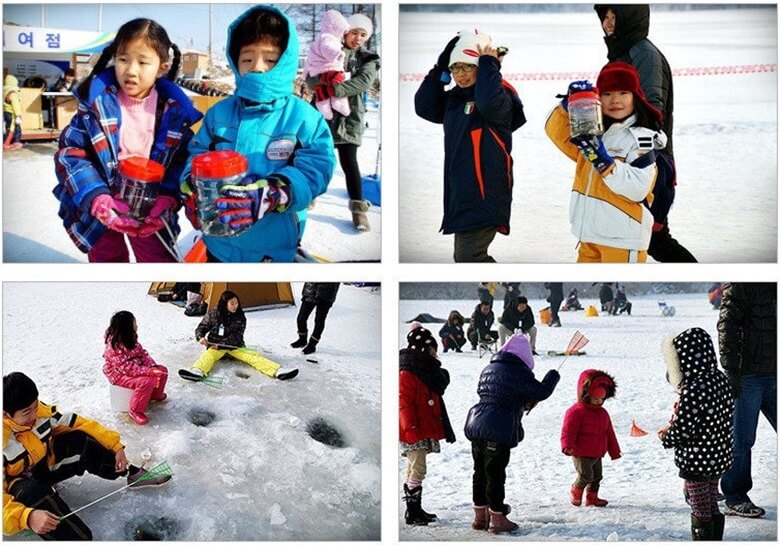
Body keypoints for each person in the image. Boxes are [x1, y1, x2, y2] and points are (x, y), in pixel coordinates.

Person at [182, 5, 335, 262]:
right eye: (248, 59)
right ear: (235, 61)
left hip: (274, 246)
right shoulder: (218, 115)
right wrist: (191, 185)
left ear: (285, 62)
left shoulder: (303, 117)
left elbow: (317, 168)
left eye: (270, 59)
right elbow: (197, 154)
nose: (258, 67)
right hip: (219, 242)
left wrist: (275, 193)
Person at [53, 18, 201, 262]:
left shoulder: (174, 113)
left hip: (150, 211)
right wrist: (96, 196)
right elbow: (71, 153)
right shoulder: (97, 105)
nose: (131, 70)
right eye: (123, 59)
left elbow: (181, 163)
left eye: (143, 62)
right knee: (108, 262)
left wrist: (167, 197)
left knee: (157, 262)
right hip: (101, 210)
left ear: (162, 68)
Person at [3, 372, 170, 540]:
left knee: (79, 439)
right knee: (32, 492)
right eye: (26, 412)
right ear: (5, 414)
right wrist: (26, 517)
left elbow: (79, 423)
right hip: (19, 490)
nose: (33, 415)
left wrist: (115, 445)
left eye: (35, 407)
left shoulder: (41, 413)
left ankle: (130, 473)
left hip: (43, 468)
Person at [594, 5, 696, 263]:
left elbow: (652, 113)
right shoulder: (622, 52)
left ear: (630, 19)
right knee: (650, 239)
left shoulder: (644, 55)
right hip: (626, 159)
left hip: (648, 163)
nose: (607, 23)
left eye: (614, 17)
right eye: (605, 16)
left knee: (655, 239)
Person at [415, 29, 525, 262]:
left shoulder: (501, 98)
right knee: (467, 257)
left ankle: (508, 293)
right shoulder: (454, 100)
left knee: (469, 257)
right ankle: (507, 292)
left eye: (468, 66)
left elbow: (486, 101)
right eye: (456, 68)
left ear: (481, 68)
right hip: (462, 195)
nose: (461, 74)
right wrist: (440, 69)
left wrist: (489, 64)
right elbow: (424, 106)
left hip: (486, 194)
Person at [546, 62, 664, 262]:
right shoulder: (593, 131)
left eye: (623, 93)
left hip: (623, 240)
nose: (615, 100)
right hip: (588, 235)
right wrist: (569, 107)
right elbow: (557, 134)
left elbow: (638, 189)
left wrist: (604, 162)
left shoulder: (641, 138)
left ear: (635, 96)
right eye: (607, 94)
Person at [464, 334, 560, 533]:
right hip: (497, 427)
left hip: (477, 423)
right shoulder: (519, 372)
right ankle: (497, 518)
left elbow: (496, 392)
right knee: (495, 474)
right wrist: (553, 375)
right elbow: (540, 392)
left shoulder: (489, 367)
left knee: (479, 472)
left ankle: (480, 516)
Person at [307, 13, 380, 232]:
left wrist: (333, 88)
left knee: (350, 163)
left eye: (363, 34)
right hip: (322, 114)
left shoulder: (368, 58)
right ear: (345, 32)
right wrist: (322, 81)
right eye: (354, 33)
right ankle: (309, 195)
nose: (358, 38)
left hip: (350, 116)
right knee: (317, 159)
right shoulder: (326, 49)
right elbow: (311, 78)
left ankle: (359, 211)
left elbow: (363, 82)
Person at [659, 327, 733, 539]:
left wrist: (667, 437)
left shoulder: (694, 388)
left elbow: (684, 428)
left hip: (697, 459)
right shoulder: (720, 379)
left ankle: (703, 537)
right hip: (719, 454)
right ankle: (715, 537)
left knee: (700, 506)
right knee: (711, 502)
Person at [716, 282, 776, 518]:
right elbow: (726, 325)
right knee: (741, 440)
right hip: (748, 375)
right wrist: (731, 371)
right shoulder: (742, 281)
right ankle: (735, 495)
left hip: (775, 370)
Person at [399, 327, 456, 525]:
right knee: (418, 469)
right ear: (425, 348)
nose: (436, 352)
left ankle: (415, 509)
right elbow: (403, 403)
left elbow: (438, 384)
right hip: (412, 429)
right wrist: (411, 429)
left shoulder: (423, 368)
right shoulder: (409, 371)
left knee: (413, 468)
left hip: (420, 426)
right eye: (433, 348)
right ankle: (412, 512)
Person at [179, 290, 298, 382]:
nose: (235, 305)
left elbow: (238, 336)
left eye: (236, 303)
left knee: (253, 357)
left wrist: (221, 345)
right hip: (215, 347)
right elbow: (202, 327)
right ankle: (197, 371)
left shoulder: (240, 316)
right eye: (232, 303)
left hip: (234, 346)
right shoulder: (213, 314)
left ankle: (278, 371)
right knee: (207, 356)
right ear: (225, 304)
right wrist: (201, 337)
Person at [561, 369, 621, 508]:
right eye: (594, 399)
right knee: (585, 475)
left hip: (597, 452)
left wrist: (614, 451)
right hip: (581, 452)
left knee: (597, 477)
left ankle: (592, 498)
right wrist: (567, 445)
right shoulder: (576, 412)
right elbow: (568, 431)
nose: (598, 402)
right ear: (585, 395)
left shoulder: (603, 413)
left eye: (601, 399)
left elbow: (610, 433)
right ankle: (575, 490)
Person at [102, 311, 168, 425]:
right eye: (134, 323)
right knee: (146, 381)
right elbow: (125, 368)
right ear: (126, 328)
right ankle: (135, 410)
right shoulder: (113, 347)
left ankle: (155, 394)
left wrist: (152, 366)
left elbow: (142, 353)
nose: (137, 326)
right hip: (118, 374)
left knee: (162, 371)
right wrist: (148, 371)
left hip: (134, 367)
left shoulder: (130, 338)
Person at [303, 9, 351, 121]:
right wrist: (336, 54)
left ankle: (323, 105)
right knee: (337, 80)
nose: (343, 33)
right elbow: (327, 48)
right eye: (343, 30)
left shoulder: (319, 39)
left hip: (317, 71)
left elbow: (309, 60)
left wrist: (304, 74)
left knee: (322, 90)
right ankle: (338, 101)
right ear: (335, 27)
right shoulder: (328, 38)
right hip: (328, 69)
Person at [290, 282, 340, 355]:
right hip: (310, 291)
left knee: (319, 320)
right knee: (301, 318)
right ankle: (302, 339)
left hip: (326, 294)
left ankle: (312, 345)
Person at [3, 74, 23, 150]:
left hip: (6, 112)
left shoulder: (5, 92)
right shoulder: (13, 93)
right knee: (13, 128)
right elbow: (15, 105)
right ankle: (9, 143)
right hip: (12, 113)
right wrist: (18, 115)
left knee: (9, 127)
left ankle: (12, 142)